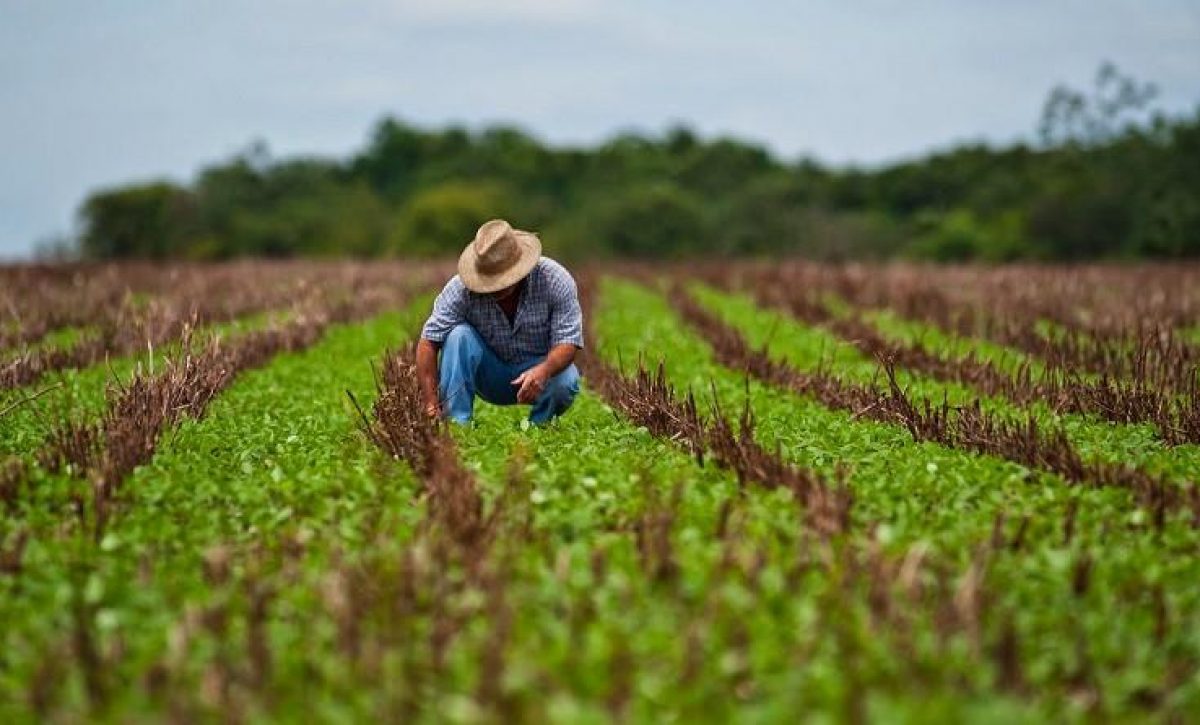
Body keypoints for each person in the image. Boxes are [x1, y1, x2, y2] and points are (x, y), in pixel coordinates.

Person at [416, 219, 583, 425]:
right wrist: (431, 402)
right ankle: (456, 426)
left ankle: (540, 428)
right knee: (458, 336)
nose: (495, 287)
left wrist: (544, 370)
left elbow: (568, 342)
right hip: (490, 375)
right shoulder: (460, 289)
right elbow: (428, 342)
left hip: (539, 370)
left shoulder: (554, 280)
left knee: (566, 380)